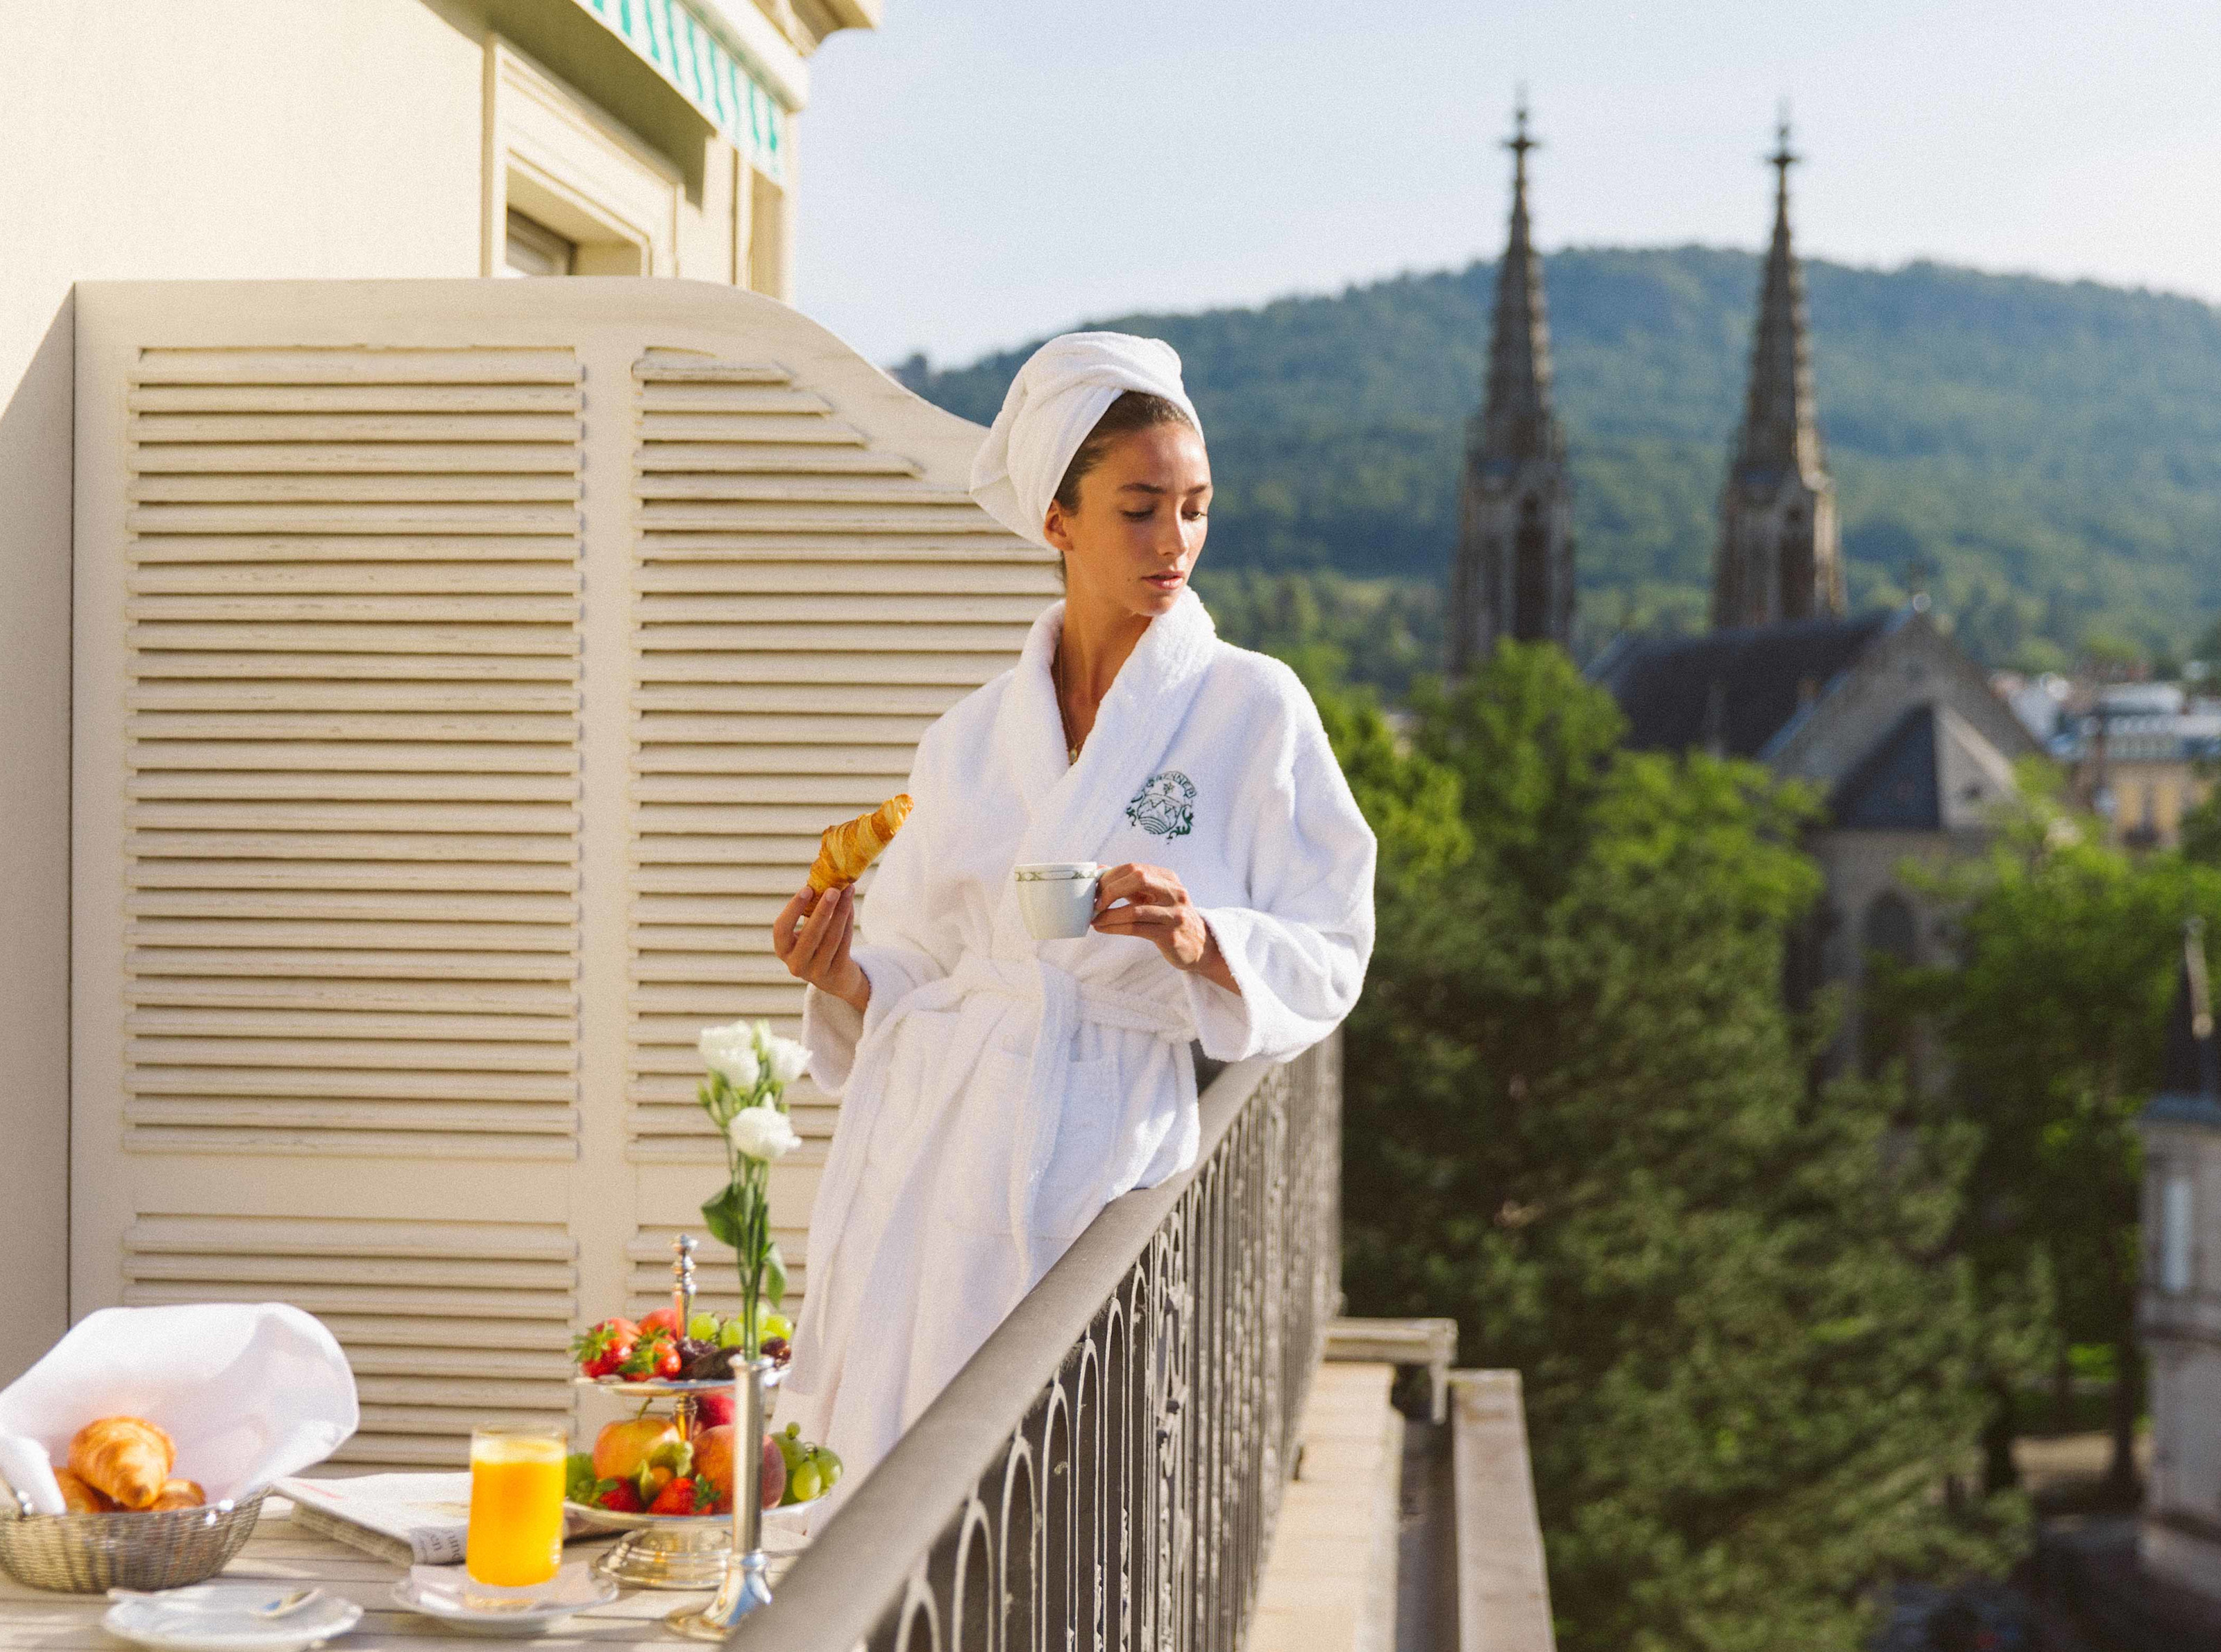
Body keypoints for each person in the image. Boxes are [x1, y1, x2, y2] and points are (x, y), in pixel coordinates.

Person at [773, 331, 1376, 1499]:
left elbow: (1334, 944)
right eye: (1140, 510)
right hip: (938, 1143)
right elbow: (923, 956)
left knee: (1070, 1493)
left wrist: (1206, 942)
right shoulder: (971, 736)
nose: (1175, 542)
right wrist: (843, 973)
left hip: (1105, 1147)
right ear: (1058, 521)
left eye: (1196, 509)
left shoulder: (1252, 708)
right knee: (908, 1484)